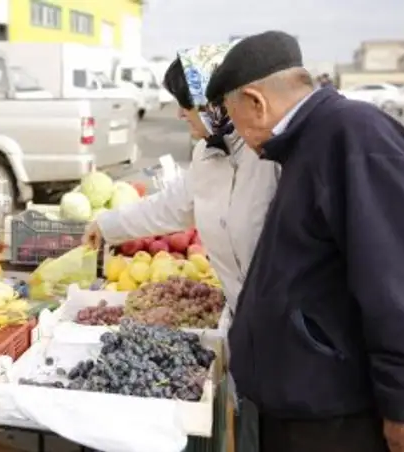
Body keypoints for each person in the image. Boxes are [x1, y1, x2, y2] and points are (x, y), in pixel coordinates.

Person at [205, 30, 404, 452]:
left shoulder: (355, 136)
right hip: (301, 404)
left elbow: (399, 283)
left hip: (331, 417)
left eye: (232, 115)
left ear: (255, 101)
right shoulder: (307, 143)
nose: (239, 134)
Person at [83, 43, 279, 451]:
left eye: (185, 103)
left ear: (215, 103)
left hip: (285, 333)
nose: (179, 114)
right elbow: (172, 206)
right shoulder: (209, 153)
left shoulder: (270, 156)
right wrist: (108, 225)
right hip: (243, 323)